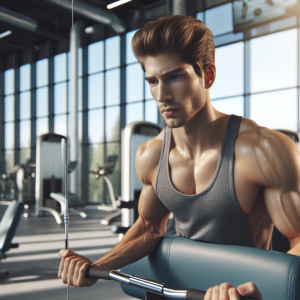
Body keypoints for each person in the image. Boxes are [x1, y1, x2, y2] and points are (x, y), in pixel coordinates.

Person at [58, 15, 300, 300]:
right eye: (152, 81)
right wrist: (95, 268)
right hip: (183, 289)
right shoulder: (150, 155)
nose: (162, 95)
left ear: (207, 75)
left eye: (175, 77)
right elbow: (149, 227)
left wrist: (254, 287)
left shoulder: (261, 149)